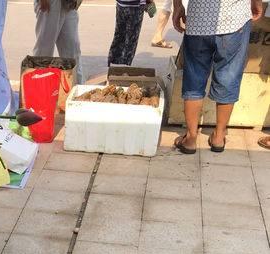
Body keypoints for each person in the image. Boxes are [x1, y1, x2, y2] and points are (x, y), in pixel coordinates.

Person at [173, 0, 263, 153]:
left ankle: (191, 138)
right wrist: (257, 3)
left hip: (198, 21)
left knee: (194, 77)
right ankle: (219, 137)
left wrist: (177, 6)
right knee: (229, 75)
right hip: (235, 21)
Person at [34, 0, 83, 85]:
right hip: (51, 3)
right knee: (44, 51)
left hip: (69, 4)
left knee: (72, 49)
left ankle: (76, 88)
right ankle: (38, 88)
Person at [109, 0, 153, 66]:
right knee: (131, 39)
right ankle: (124, 66)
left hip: (121, 5)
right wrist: (149, 2)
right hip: (136, 6)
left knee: (119, 36)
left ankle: (113, 63)